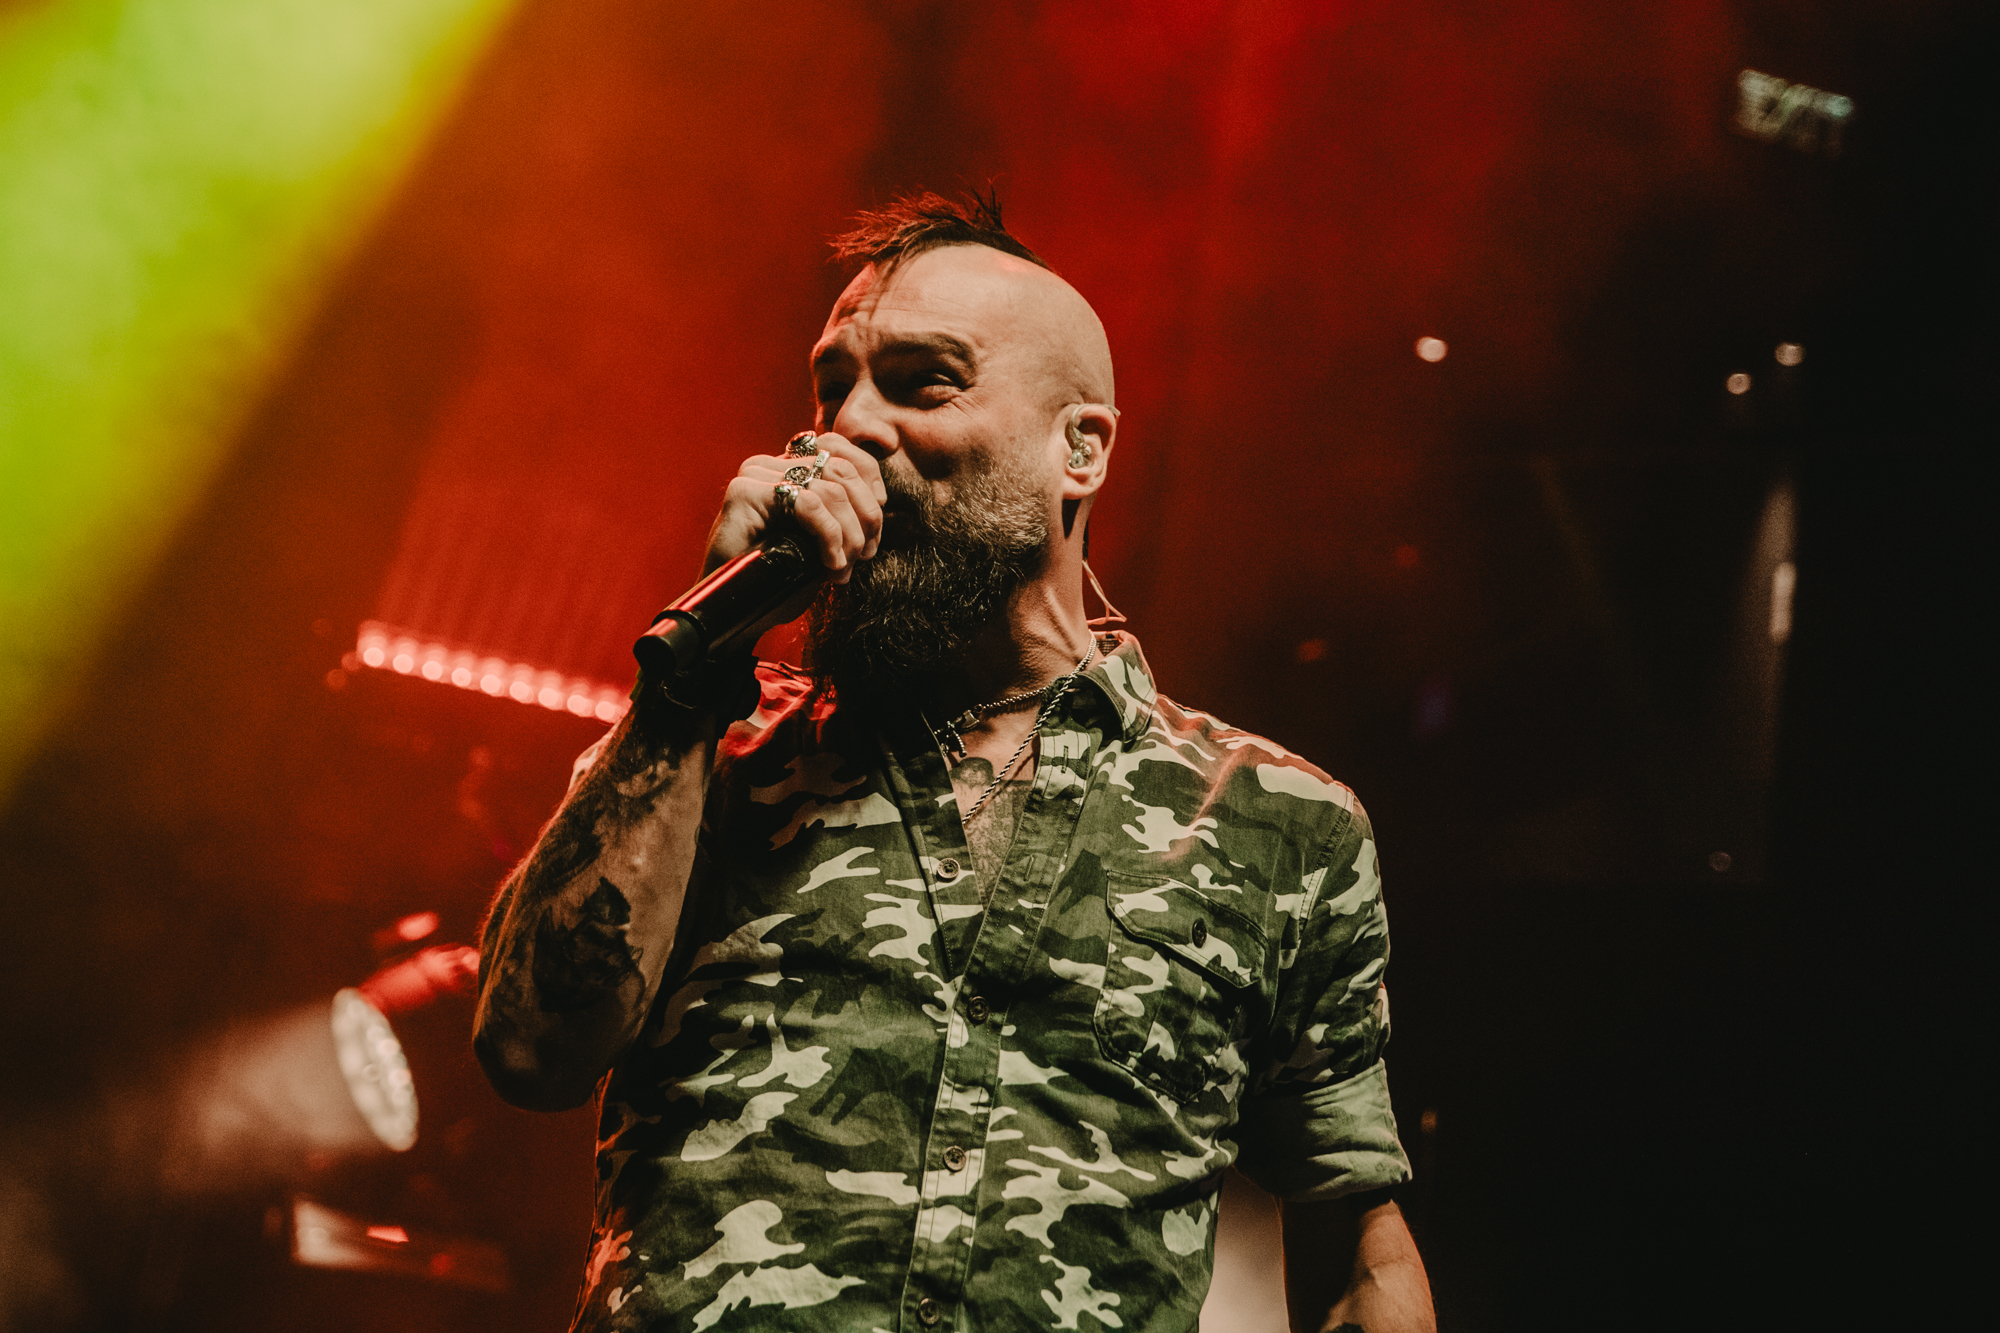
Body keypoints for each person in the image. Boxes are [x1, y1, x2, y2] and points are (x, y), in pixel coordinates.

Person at [473, 192, 1434, 1333]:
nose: (849, 430)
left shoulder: (1275, 820)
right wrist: (691, 673)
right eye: (832, 388)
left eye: (922, 381)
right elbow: (529, 1047)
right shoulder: (711, 745)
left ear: (1079, 450)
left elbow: (1353, 1251)